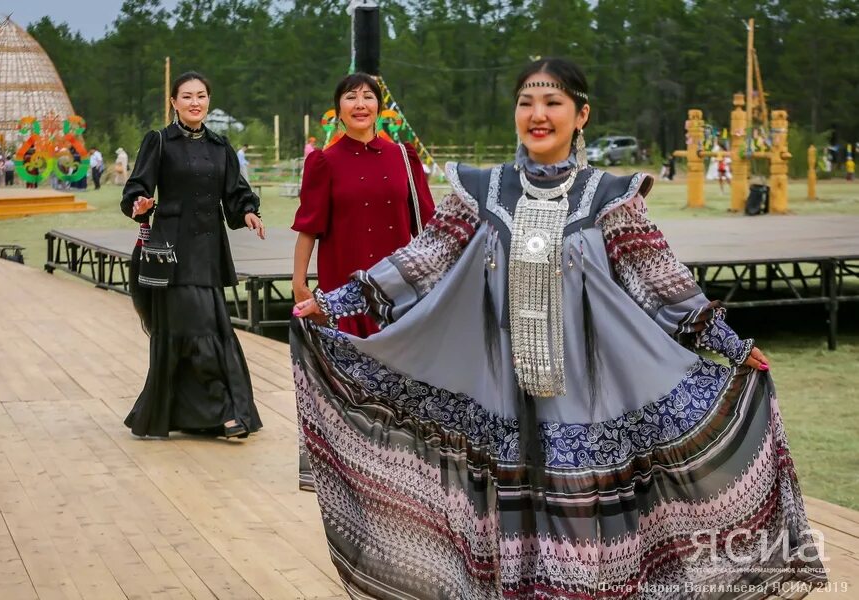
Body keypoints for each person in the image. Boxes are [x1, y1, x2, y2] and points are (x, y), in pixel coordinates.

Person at [290, 58, 826, 598]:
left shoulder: (608, 197)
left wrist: (729, 344)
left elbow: (659, 280)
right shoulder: (482, 190)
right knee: (505, 517)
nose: (538, 115)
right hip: (501, 396)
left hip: (586, 400)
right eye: (526, 103)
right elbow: (423, 260)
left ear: (581, 114)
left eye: (552, 103)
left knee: (577, 524)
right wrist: (332, 304)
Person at [121, 71, 265, 440]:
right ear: (173, 102)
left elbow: (235, 192)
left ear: (209, 101)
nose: (195, 102)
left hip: (209, 253)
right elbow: (137, 187)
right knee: (198, 327)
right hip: (172, 251)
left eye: (201, 96)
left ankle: (208, 413)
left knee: (207, 328)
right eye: (186, 96)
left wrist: (247, 211)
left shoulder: (220, 146)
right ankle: (224, 413)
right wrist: (139, 203)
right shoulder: (159, 142)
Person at [291, 72, 435, 339]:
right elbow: (309, 228)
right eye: (351, 97)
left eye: (368, 97)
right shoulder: (324, 162)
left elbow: (428, 225)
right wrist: (299, 282)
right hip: (341, 292)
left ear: (378, 108)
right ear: (339, 111)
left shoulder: (404, 157)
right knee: (345, 376)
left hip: (398, 290)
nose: (360, 104)